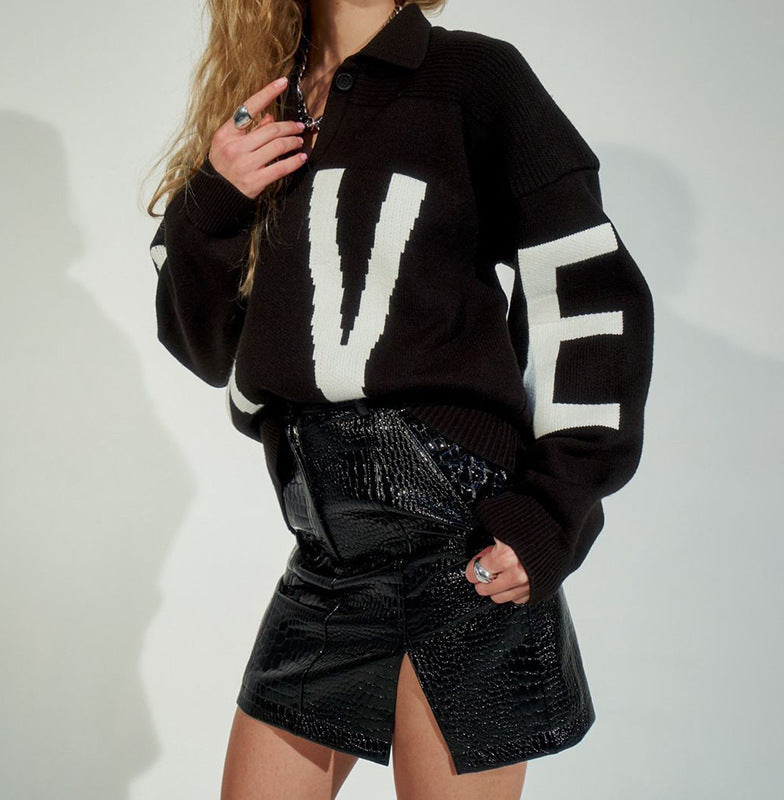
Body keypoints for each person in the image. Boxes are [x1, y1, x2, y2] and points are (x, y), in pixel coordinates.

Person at [145, 1, 655, 798]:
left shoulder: (474, 77)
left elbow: (588, 291)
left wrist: (553, 513)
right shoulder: (264, 106)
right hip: (326, 556)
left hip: (461, 545)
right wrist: (214, 200)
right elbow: (207, 348)